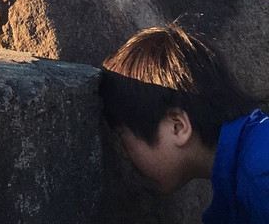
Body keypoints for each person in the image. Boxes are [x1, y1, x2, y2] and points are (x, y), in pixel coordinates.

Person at [99, 25, 269, 223]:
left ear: (177, 127)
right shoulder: (243, 172)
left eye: (121, 136)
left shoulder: (260, 177)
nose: (123, 153)